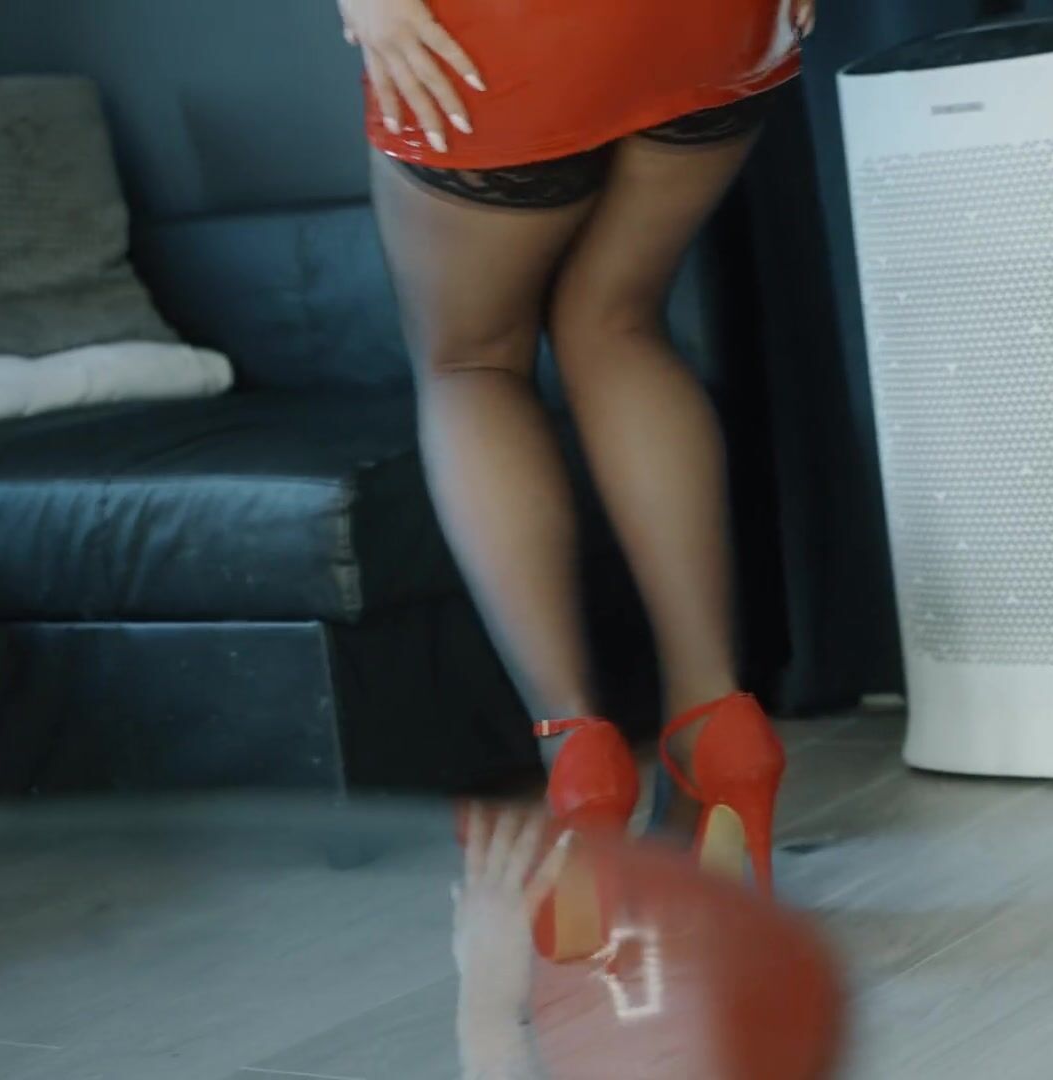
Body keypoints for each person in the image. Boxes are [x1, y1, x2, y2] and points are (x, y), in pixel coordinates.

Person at [338, 0, 810, 947]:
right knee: (619, 321)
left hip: (502, 31)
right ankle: (713, 725)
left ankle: (577, 754)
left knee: (470, 363)